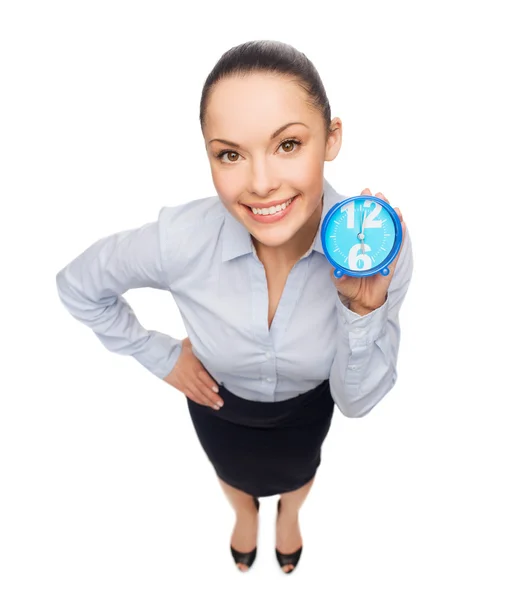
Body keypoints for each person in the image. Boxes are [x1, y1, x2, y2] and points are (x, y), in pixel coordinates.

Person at [55, 39, 413, 574]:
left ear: (331, 138)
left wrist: (362, 312)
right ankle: (245, 516)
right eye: (230, 154)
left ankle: (289, 515)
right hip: (218, 405)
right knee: (231, 473)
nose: (261, 182)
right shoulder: (179, 240)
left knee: (300, 472)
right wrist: (160, 355)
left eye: (288, 145)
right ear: (209, 155)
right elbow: (77, 285)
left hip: (308, 407)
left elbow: (356, 403)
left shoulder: (377, 250)